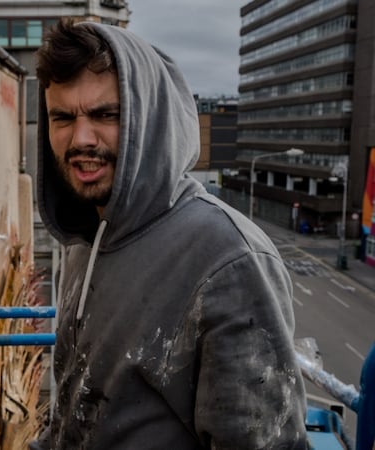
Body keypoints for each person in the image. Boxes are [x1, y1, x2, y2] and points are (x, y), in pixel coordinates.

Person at [32, 19, 307, 449]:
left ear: (148, 119)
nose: (81, 138)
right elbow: (74, 416)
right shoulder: (87, 239)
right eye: (62, 117)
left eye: (105, 114)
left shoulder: (227, 259)